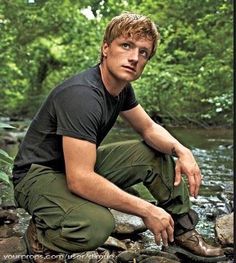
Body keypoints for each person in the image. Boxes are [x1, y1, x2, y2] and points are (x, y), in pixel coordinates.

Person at [13, 12, 225, 263]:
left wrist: (182, 150)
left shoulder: (121, 89)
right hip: (36, 174)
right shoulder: (82, 95)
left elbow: (148, 129)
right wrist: (146, 209)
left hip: (72, 167)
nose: (134, 57)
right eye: (126, 45)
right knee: (96, 225)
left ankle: (183, 232)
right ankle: (41, 235)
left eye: (143, 52)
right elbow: (80, 180)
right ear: (105, 48)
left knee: (155, 152)